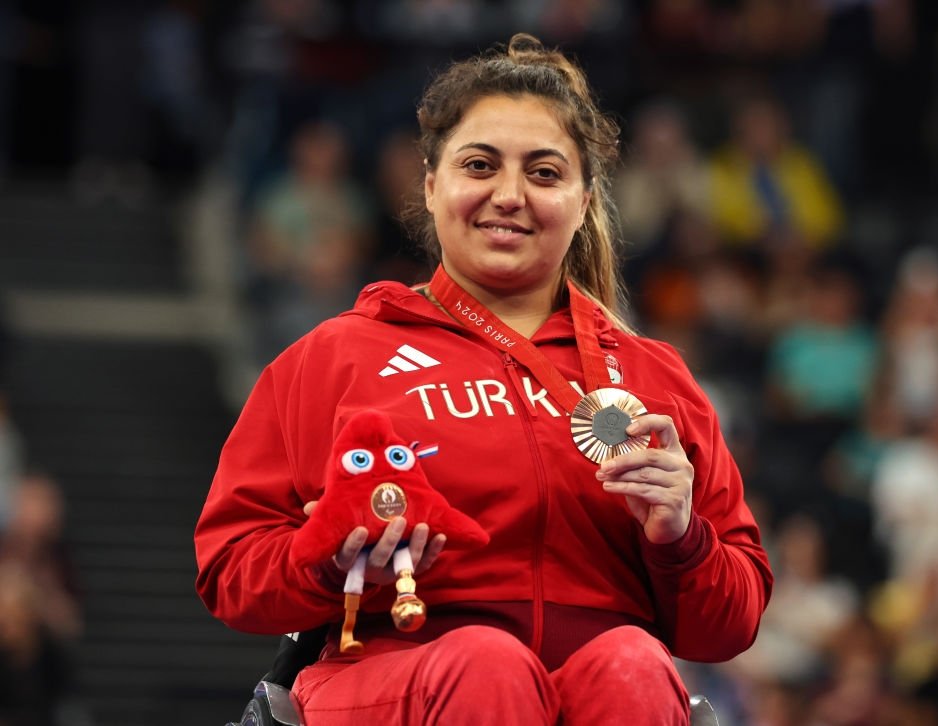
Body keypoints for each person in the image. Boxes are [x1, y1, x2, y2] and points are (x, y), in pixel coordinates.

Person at [195, 33, 772, 725]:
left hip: (604, 686)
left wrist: (683, 540)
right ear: (431, 185)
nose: (509, 195)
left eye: (545, 173)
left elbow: (729, 626)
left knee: (635, 664)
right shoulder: (336, 358)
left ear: (585, 200)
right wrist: (328, 556)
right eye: (479, 165)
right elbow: (229, 572)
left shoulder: (654, 377)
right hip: (389, 671)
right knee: (486, 665)